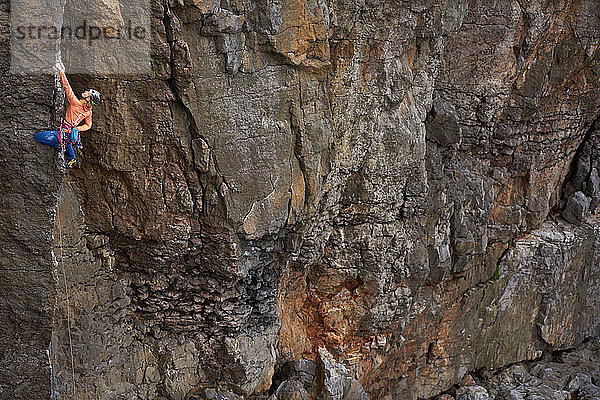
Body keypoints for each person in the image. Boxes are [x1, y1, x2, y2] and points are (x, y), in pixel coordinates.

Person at [34, 63, 101, 168]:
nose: (85, 91)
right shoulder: (89, 111)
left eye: (88, 92)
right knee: (67, 141)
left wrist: (61, 71)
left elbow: (67, 88)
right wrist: (77, 129)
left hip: (65, 133)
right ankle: (71, 158)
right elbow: (89, 125)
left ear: (89, 98)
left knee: (38, 137)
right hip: (70, 133)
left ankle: (58, 145)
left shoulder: (76, 103)